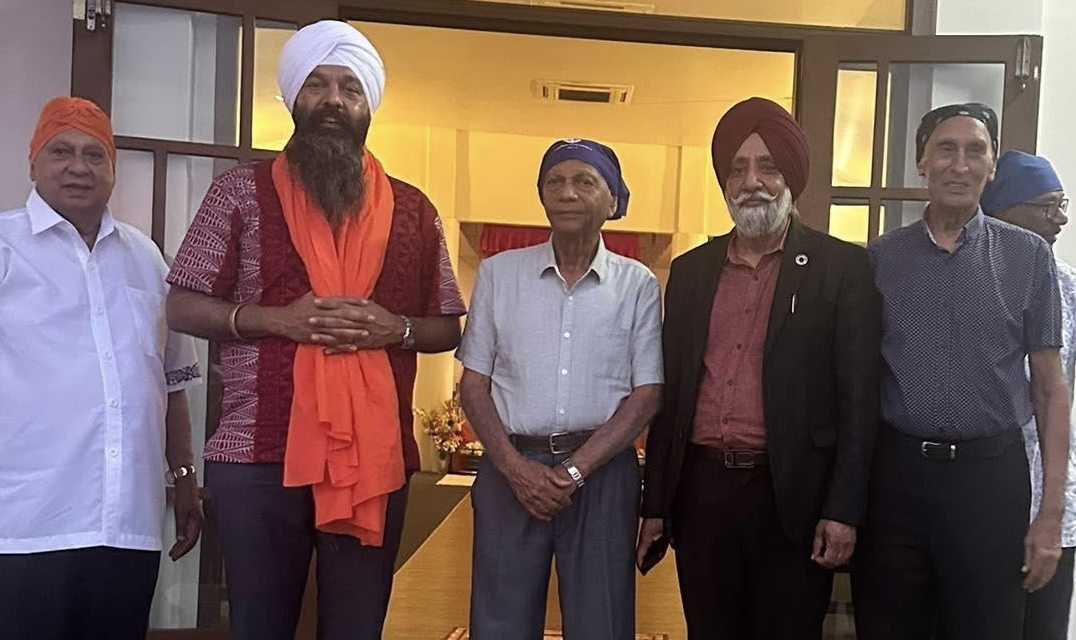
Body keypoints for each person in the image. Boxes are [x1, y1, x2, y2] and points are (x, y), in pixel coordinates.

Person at [165, 20, 466, 640]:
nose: (333, 100)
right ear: (293, 98)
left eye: (350, 88)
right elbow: (183, 305)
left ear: (368, 105)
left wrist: (396, 329)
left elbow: (447, 326)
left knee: (356, 627)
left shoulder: (414, 209)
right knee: (260, 626)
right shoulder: (238, 193)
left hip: (372, 455)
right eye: (317, 85)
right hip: (257, 451)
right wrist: (274, 319)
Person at [636, 97, 882, 639]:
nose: (752, 182)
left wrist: (844, 509)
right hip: (702, 495)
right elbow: (670, 399)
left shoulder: (842, 267)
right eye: (738, 169)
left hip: (793, 497)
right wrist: (655, 503)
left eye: (768, 167)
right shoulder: (690, 272)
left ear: (791, 176)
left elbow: (859, 402)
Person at [852, 104, 1070, 640]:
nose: (960, 164)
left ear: (991, 167)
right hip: (897, 478)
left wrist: (1049, 516)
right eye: (945, 149)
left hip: (989, 482)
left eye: (976, 151)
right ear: (922, 162)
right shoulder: (881, 260)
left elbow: (1050, 389)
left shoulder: (1028, 257)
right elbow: (855, 383)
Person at [0, 96, 203, 640]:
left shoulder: (146, 258)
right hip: (23, 526)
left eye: (95, 155)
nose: (78, 167)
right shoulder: (5, 247)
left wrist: (185, 479)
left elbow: (172, 384)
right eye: (61, 151)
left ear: (113, 169)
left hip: (126, 525)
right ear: (33, 164)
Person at [457, 138, 663, 640]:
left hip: (602, 475)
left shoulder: (637, 284)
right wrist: (515, 469)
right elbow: (475, 385)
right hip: (510, 470)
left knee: (601, 623)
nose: (567, 193)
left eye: (584, 181)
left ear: (612, 200)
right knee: (499, 624)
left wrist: (574, 470)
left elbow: (647, 394)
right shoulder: (499, 275)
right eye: (555, 182)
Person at [980, 150, 1076, 640]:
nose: (1060, 218)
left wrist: (1052, 508)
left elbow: (1060, 393)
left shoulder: (1068, 288)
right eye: (1046, 206)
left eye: (1062, 204)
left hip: (1049, 498)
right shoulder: (972, 280)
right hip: (977, 496)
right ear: (1002, 212)